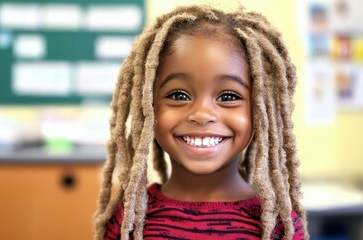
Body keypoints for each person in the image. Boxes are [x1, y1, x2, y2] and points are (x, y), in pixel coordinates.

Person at [94, 4, 308, 240]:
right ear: (148, 107)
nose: (202, 114)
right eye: (178, 96)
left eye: (228, 97)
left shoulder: (279, 228)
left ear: (260, 111)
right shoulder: (128, 222)